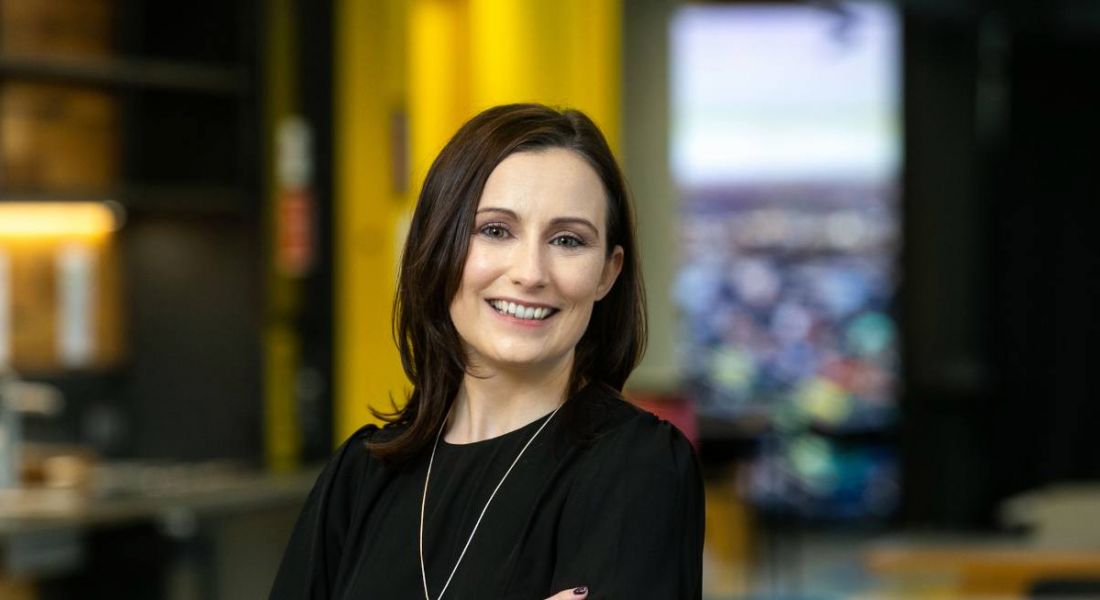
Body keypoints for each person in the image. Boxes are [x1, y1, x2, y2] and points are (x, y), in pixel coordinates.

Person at [270, 104, 704, 599]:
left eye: (568, 240)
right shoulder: (360, 475)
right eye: (495, 230)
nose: (530, 272)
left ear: (608, 271)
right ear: (439, 245)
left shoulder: (638, 470)